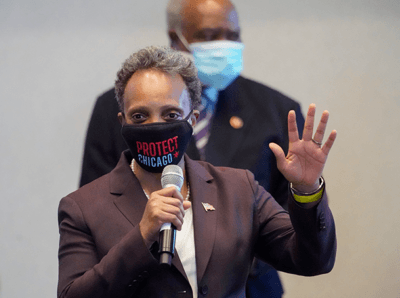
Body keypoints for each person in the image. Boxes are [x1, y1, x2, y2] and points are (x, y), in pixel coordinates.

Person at [58, 46, 337, 298]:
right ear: (123, 122)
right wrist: (142, 236)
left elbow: (313, 260)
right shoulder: (83, 207)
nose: (156, 126)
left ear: (192, 119)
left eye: (171, 115)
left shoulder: (238, 188)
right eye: (140, 116)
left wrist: (306, 190)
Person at [79, 0, 305, 296]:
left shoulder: (278, 110)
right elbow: (96, 209)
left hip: (249, 287)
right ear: (176, 39)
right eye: (210, 36)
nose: (224, 46)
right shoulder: (116, 109)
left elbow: (291, 222)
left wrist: (231, 251)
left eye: (233, 35)